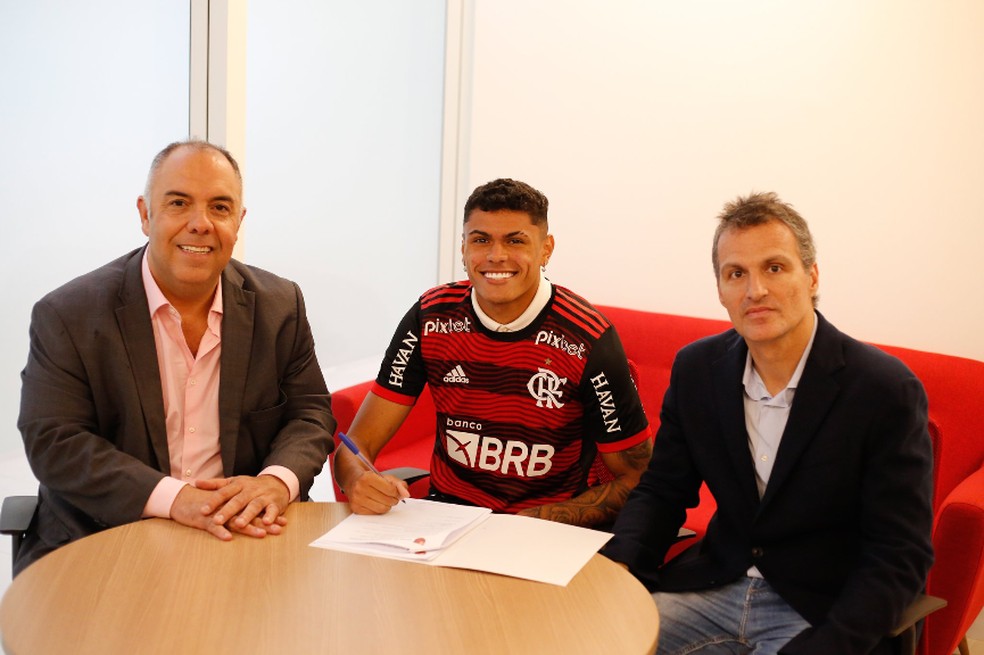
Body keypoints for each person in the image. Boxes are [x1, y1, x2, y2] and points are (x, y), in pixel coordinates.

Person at [604, 192, 934, 655]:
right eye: (736, 273)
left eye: (774, 268)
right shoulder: (698, 370)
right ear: (720, 290)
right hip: (715, 587)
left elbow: (900, 552)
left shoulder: (884, 389)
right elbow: (662, 490)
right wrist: (618, 569)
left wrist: (833, 645)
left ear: (812, 275)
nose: (754, 290)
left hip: (822, 607)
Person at [15, 140, 335, 575]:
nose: (200, 224)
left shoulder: (280, 305)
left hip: (242, 537)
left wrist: (274, 483)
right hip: (104, 538)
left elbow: (309, 413)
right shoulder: (68, 314)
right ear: (145, 214)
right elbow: (55, 441)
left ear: (238, 222)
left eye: (220, 208)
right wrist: (176, 499)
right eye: (179, 203)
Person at [333, 178, 652, 528]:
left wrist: (524, 524)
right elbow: (355, 445)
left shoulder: (588, 335)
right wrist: (356, 480)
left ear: (546, 249)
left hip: (543, 530)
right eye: (481, 240)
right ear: (463, 248)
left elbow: (637, 479)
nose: (495, 256)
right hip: (444, 521)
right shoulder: (430, 316)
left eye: (515, 240)